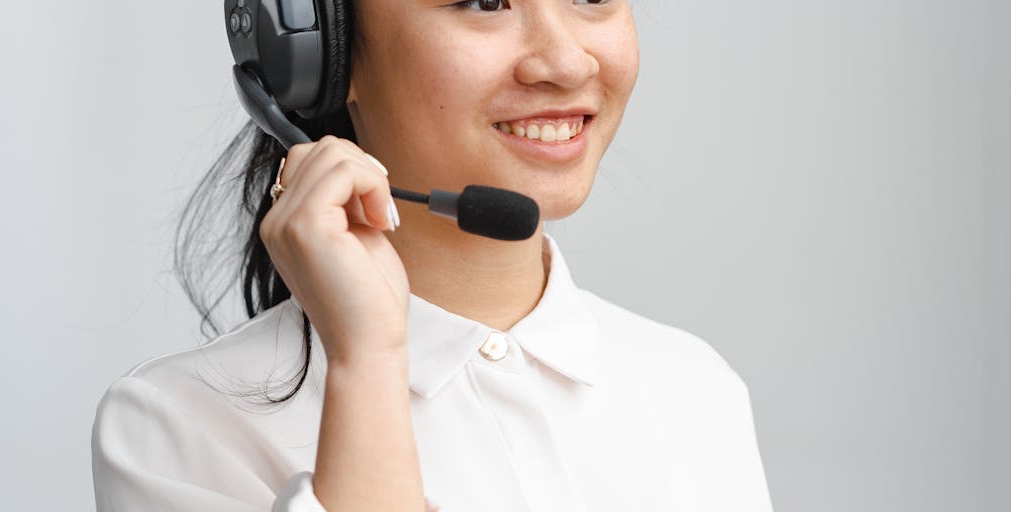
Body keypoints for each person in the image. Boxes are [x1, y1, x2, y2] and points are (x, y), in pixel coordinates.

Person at [91, 0, 774, 510]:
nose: (566, 62)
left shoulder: (697, 390)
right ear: (321, 54)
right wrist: (368, 367)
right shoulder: (178, 430)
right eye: (483, 1)